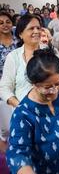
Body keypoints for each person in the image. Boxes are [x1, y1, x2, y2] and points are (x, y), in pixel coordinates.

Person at [6, 48, 59, 174]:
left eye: (58, 84)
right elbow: (17, 153)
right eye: (47, 87)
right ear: (34, 83)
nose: (54, 91)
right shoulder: (24, 114)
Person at [0, 11, 18, 158]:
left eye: (7, 22)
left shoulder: (19, 41)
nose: (5, 25)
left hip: (19, 86)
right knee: (5, 125)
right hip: (2, 88)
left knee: (19, 120)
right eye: (1, 23)